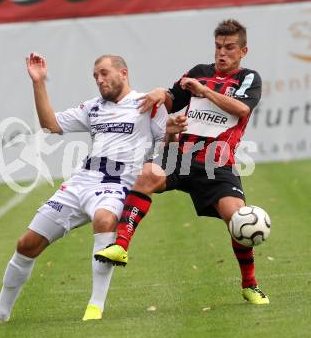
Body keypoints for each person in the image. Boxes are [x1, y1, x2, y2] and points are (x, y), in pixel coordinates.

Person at [0, 53, 187, 326]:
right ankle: (1, 312)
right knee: (26, 244)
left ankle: (95, 305)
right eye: (95, 76)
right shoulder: (93, 107)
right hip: (81, 181)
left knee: (105, 220)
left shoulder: (148, 104)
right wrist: (38, 82)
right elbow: (50, 124)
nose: (99, 80)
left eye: (104, 73)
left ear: (123, 73)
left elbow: (170, 151)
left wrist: (173, 132)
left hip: (116, 184)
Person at [95, 19, 269, 305]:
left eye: (229, 48)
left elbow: (240, 109)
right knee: (148, 174)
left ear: (243, 51)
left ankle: (249, 284)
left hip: (216, 163)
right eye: (218, 46)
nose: (221, 53)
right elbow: (172, 97)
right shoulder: (199, 72)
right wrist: (159, 94)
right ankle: (121, 245)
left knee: (238, 217)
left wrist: (205, 92)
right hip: (180, 155)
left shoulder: (248, 79)